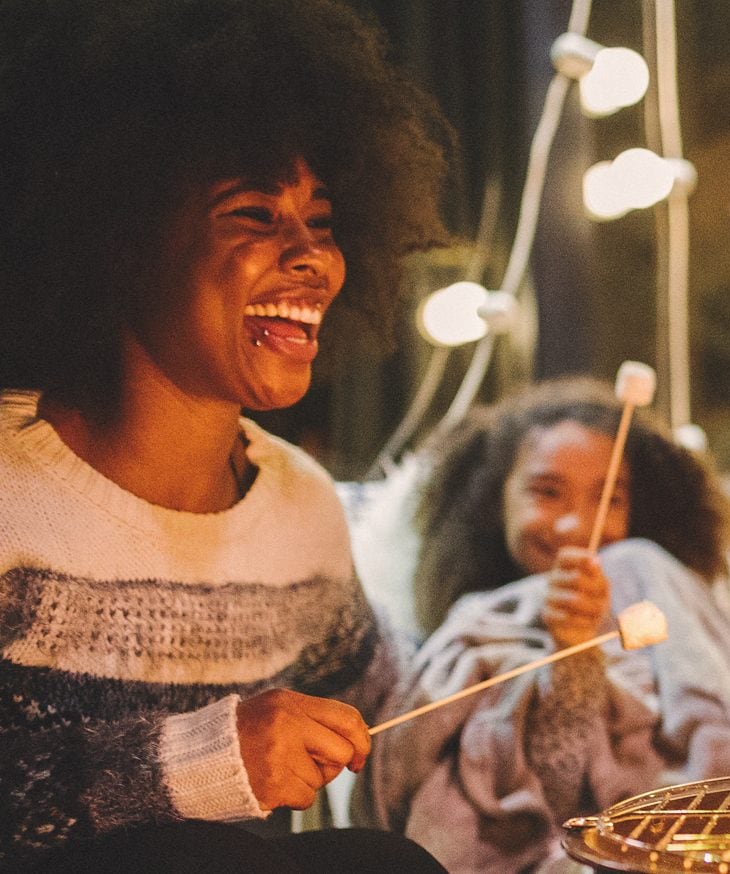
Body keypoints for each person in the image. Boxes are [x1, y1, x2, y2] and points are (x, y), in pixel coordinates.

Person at [0, 0, 454, 870]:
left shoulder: (299, 510)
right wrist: (193, 764)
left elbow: (396, 714)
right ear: (118, 242)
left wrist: (541, 647)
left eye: (321, 223)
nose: (311, 257)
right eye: (253, 215)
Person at [357, 378, 730, 873]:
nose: (577, 526)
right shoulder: (479, 623)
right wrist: (572, 657)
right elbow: (562, 795)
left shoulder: (648, 574)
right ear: (491, 498)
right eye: (547, 492)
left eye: (608, 499)